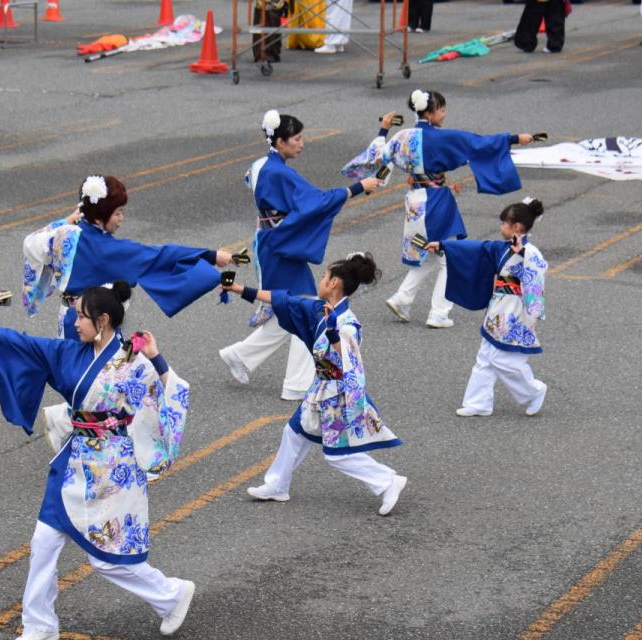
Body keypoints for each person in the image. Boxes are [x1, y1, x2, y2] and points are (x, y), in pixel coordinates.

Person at [0, 283, 195, 640]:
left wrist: (158, 359)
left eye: (81, 316)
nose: (74, 323)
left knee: (105, 558)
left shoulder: (132, 362)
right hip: (74, 462)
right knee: (44, 541)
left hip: (111, 469)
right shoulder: (70, 353)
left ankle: (170, 594)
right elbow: (23, 344)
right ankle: (40, 623)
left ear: (103, 320)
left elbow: (168, 398)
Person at [222, 253, 408, 513]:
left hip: (337, 394)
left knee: (336, 454)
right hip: (321, 388)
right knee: (295, 432)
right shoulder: (320, 310)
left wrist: (333, 332)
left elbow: (347, 355)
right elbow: (285, 300)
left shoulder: (347, 322)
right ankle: (277, 485)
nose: (320, 279)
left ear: (334, 283)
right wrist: (238, 289)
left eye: (324, 276)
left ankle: (388, 481)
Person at [221, 110, 380, 400]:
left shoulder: (263, 165)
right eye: (296, 138)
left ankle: (240, 356)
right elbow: (315, 201)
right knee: (306, 307)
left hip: (274, 242)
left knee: (291, 308)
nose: (301, 143)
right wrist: (357, 187)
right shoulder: (279, 171)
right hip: (280, 245)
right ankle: (294, 384)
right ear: (279, 142)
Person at [342, 90, 535, 329]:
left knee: (431, 253)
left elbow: (378, 155)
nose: (444, 114)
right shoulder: (441, 137)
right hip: (435, 202)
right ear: (430, 113)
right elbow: (478, 142)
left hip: (415, 200)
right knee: (448, 255)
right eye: (441, 109)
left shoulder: (402, 136)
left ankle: (402, 299)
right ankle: (438, 313)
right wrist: (514, 138)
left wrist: (383, 129)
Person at [22, 174, 231, 342]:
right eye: (117, 213)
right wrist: (210, 256)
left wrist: (67, 220)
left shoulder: (64, 235)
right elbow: (161, 255)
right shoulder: (109, 249)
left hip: (68, 319)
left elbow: (31, 242)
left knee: (75, 383)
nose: (122, 218)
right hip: (95, 325)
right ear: (100, 215)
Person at [423, 197, 549, 417]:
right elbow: (478, 248)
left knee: (503, 359)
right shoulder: (503, 248)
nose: (500, 227)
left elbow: (535, 279)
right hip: (499, 309)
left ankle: (533, 390)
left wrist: (522, 253)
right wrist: (444, 245)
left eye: (503, 223)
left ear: (516, 227)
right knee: (485, 357)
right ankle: (478, 402)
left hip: (516, 311)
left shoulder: (531, 253)